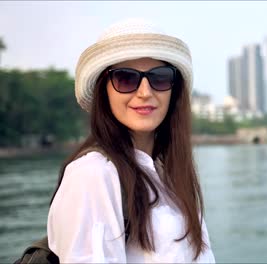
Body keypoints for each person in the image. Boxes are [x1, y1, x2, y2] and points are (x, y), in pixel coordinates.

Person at [47, 18, 216, 263]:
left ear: (173, 89)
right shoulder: (93, 175)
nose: (145, 92)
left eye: (159, 77)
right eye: (126, 78)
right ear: (103, 90)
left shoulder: (170, 175)